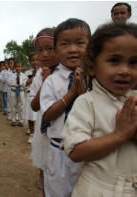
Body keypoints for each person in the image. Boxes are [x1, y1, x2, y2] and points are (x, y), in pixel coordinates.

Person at [63, 22, 137, 197]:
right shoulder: (87, 103)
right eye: (114, 61)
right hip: (98, 189)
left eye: (134, 62)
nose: (125, 70)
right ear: (92, 67)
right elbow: (75, 151)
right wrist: (120, 135)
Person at [40, 18, 90, 197]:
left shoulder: (95, 78)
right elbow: (47, 115)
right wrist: (72, 94)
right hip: (59, 152)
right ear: (56, 50)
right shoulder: (52, 81)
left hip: (88, 153)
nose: (73, 49)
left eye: (80, 43)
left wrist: (83, 94)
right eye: (65, 44)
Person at [30, 27, 59, 195]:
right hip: (43, 122)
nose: (45, 54)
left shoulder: (67, 73)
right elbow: (34, 105)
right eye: (40, 50)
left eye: (51, 48)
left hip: (60, 125)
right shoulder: (39, 74)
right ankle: (42, 174)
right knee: (43, 152)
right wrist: (45, 84)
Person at [24, 52, 40, 143]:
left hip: (39, 96)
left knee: (38, 117)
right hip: (30, 96)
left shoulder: (43, 71)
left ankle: (38, 134)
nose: (35, 62)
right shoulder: (27, 72)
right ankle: (31, 134)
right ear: (30, 62)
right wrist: (33, 77)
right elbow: (24, 83)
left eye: (37, 60)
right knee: (30, 117)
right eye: (33, 60)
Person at [8, 61, 27, 127]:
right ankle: (13, 120)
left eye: (20, 67)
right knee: (13, 106)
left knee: (21, 106)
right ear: (15, 67)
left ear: (22, 67)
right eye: (17, 67)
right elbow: (9, 83)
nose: (18, 68)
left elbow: (25, 84)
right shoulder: (12, 75)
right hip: (13, 91)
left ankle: (20, 120)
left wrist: (20, 82)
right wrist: (16, 83)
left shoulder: (24, 76)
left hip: (21, 92)